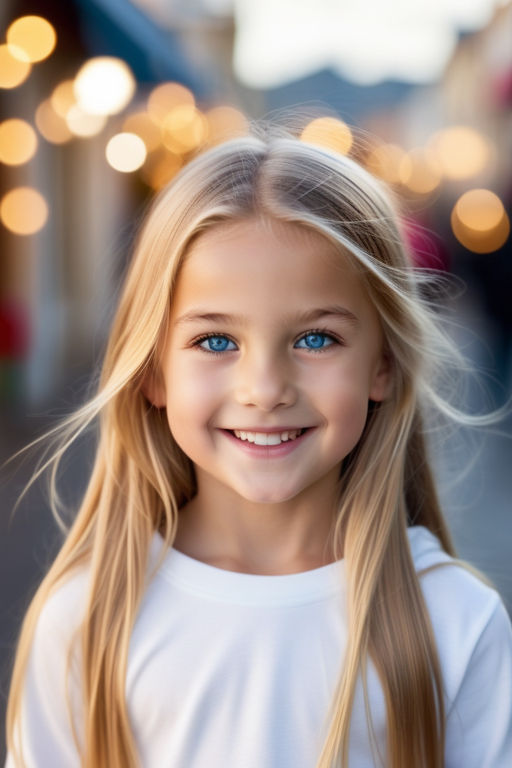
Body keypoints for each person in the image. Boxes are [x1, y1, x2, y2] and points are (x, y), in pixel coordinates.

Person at [4, 125, 512, 768]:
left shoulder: (456, 623)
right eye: (216, 341)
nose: (265, 389)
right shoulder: (85, 621)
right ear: (154, 370)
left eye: (316, 339)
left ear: (382, 364)